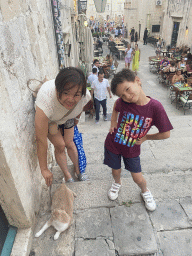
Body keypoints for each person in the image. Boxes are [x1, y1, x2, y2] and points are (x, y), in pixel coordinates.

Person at [104, 69, 173, 211]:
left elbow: (165, 133)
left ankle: (145, 191)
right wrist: (113, 123)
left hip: (132, 149)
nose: (127, 96)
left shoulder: (155, 107)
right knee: (115, 171)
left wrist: (147, 137)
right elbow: (116, 107)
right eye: (122, 95)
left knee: (137, 178)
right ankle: (117, 183)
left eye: (127, 89)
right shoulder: (121, 102)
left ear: (137, 81)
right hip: (113, 144)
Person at [35, 67, 92, 186]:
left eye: (76, 95)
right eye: (66, 93)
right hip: (52, 120)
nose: (71, 99)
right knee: (60, 145)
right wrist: (44, 169)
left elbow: (81, 105)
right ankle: (67, 176)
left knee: (70, 143)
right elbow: (41, 140)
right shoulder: (45, 101)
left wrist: (76, 118)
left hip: (68, 117)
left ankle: (79, 171)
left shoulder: (84, 96)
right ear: (57, 90)